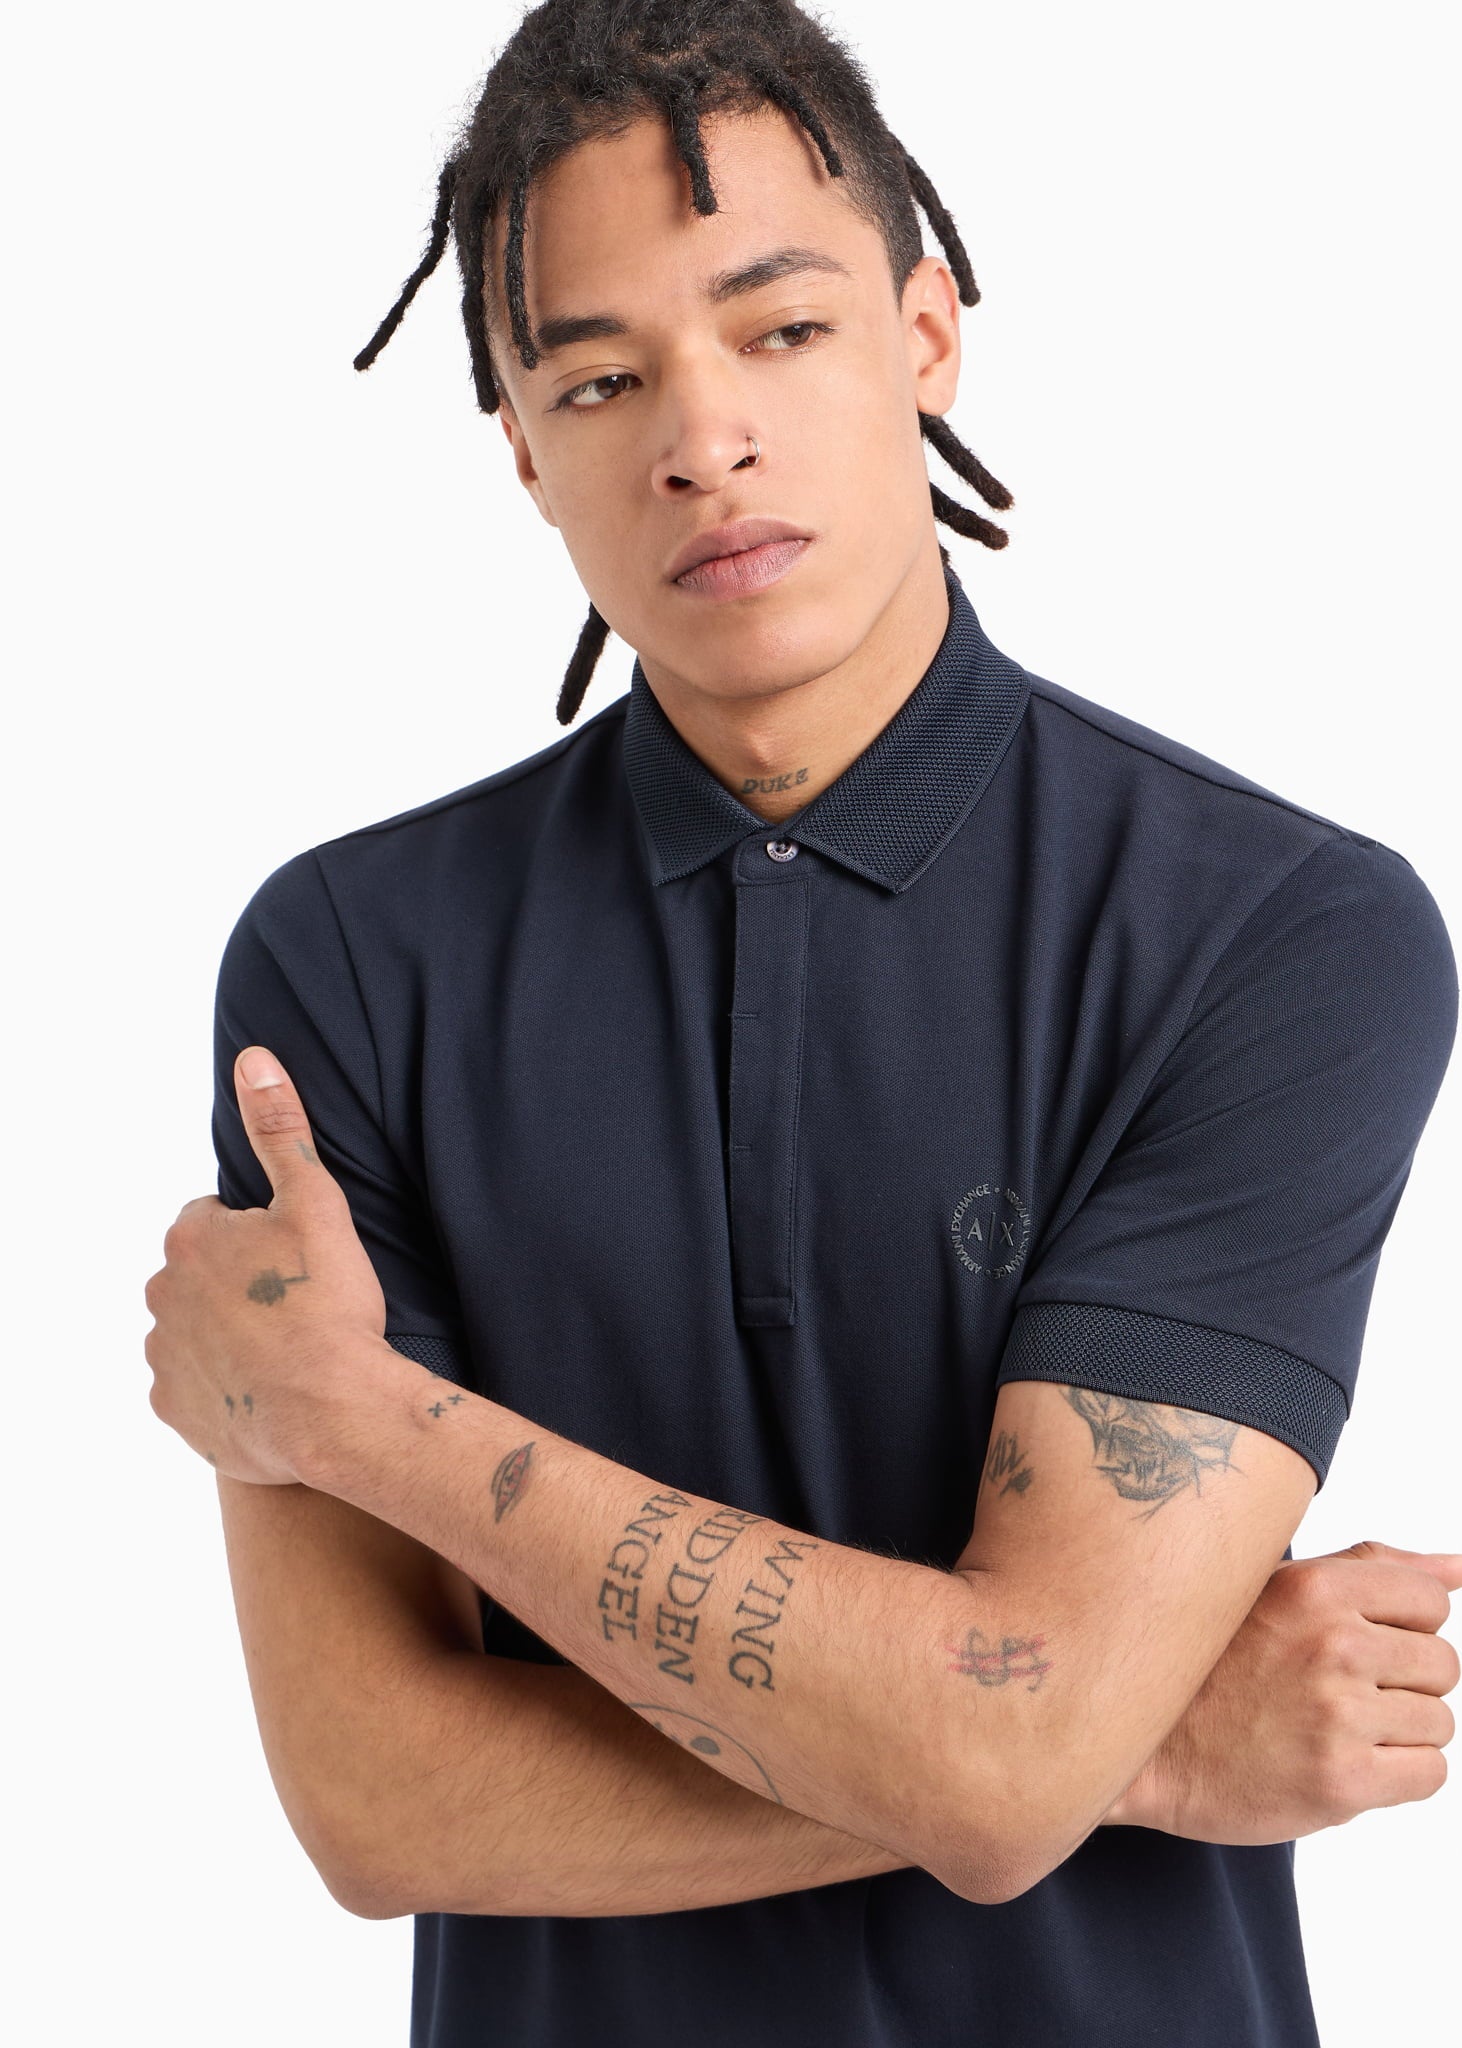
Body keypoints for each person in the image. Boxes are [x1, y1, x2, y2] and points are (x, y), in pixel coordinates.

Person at [144, 3, 1460, 2044]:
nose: (703, 437)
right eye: (599, 377)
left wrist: (364, 1421)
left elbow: (1003, 1762)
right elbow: (376, 1802)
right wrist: (1143, 1747)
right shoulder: (347, 964)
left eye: (779, 329)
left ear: (923, 338)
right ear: (522, 446)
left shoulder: (1274, 933)